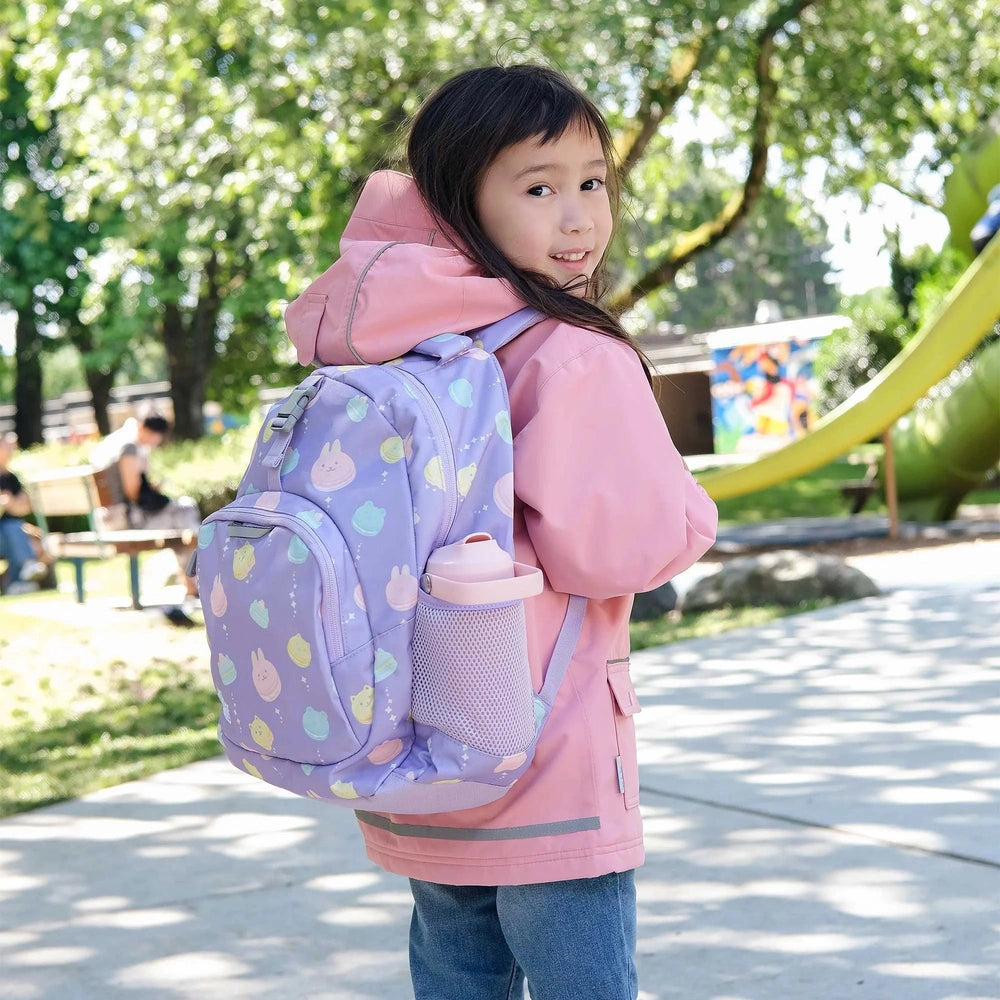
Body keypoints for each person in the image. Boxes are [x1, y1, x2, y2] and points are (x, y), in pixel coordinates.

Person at [284, 64, 719, 999]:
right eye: (538, 187)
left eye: (592, 181)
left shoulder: (393, 346)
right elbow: (622, 551)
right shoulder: (569, 354)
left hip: (414, 746)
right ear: (461, 205)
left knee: (455, 972)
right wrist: (693, 514)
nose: (579, 219)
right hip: (543, 747)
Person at [89, 414, 200, 597]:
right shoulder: (129, 447)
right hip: (125, 520)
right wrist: (149, 487)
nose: (156, 441)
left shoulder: (114, 443)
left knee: (182, 528)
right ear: (144, 429)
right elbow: (133, 492)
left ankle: (191, 584)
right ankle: (195, 582)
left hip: (110, 519)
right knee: (186, 510)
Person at [0, 433, 50, 595]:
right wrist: (11, 504)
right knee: (13, 529)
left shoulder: (11, 477)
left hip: (13, 532)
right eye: (6, 446)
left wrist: (9, 503)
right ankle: (24, 570)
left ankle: (16, 583)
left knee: (13, 531)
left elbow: (25, 507)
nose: (11, 449)